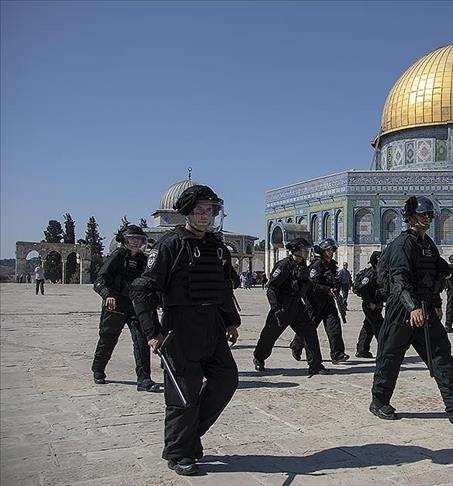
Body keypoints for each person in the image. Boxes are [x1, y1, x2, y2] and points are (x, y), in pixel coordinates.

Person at [130, 185, 240, 476]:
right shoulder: (170, 245)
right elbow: (141, 290)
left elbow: (223, 287)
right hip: (180, 327)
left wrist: (231, 321)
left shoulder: (217, 246)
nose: (205, 216)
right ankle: (178, 452)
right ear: (188, 213)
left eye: (209, 211)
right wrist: (152, 332)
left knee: (226, 380)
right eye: (199, 211)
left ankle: (189, 437)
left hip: (213, 327)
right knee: (183, 395)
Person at [370, 196, 453, 423]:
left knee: (440, 353)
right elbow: (399, 279)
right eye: (423, 215)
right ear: (410, 217)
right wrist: (412, 307)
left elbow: (438, 272)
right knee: (390, 356)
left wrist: (440, 299)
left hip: (425, 308)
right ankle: (379, 401)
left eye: (430, 215)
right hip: (402, 310)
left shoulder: (427, 244)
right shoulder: (403, 244)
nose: (427, 219)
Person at [91, 223, 162, 392]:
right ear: (124, 241)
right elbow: (100, 279)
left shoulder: (144, 260)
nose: (136, 242)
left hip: (136, 305)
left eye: (139, 239)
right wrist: (107, 294)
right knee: (108, 338)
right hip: (116, 303)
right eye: (132, 239)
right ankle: (98, 369)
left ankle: (144, 378)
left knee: (141, 340)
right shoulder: (118, 256)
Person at [253, 238, 329, 375]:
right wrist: (276, 308)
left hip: (297, 306)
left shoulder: (304, 265)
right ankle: (259, 358)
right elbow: (272, 289)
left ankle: (315, 365)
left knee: (309, 333)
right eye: (304, 250)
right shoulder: (283, 266)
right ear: (295, 250)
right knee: (269, 336)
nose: (306, 252)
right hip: (282, 306)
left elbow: (308, 286)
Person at [290, 238, 349, 364]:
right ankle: (296, 345)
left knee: (334, 327)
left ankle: (337, 354)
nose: (331, 252)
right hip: (314, 302)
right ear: (322, 251)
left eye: (332, 249)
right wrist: (327, 289)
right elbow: (311, 284)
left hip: (328, 302)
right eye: (328, 250)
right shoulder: (317, 265)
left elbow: (335, 281)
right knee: (308, 328)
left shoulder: (332, 265)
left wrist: (335, 290)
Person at [354, 251, 385, 358]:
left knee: (368, 327)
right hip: (370, 306)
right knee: (380, 327)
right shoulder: (371, 274)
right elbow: (362, 289)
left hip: (377, 305)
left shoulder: (380, 273)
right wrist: (369, 302)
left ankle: (362, 350)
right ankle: (384, 351)